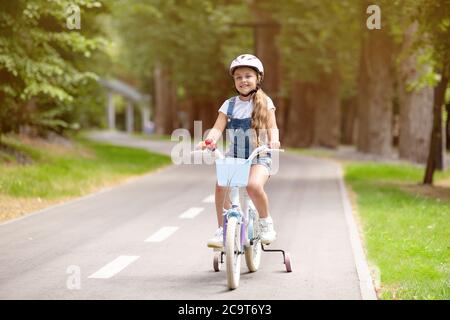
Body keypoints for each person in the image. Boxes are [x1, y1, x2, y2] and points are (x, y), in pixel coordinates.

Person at [197, 54, 281, 248]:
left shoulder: (265, 103)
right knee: (221, 186)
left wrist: (274, 141)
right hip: (235, 156)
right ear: (234, 81)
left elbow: (272, 126)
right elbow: (218, 128)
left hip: (259, 155)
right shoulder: (229, 105)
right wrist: (209, 141)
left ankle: (265, 222)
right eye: (238, 77)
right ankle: (222, 229)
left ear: (258, 78)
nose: (243, 80)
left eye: (248, 76)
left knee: (252, 186)